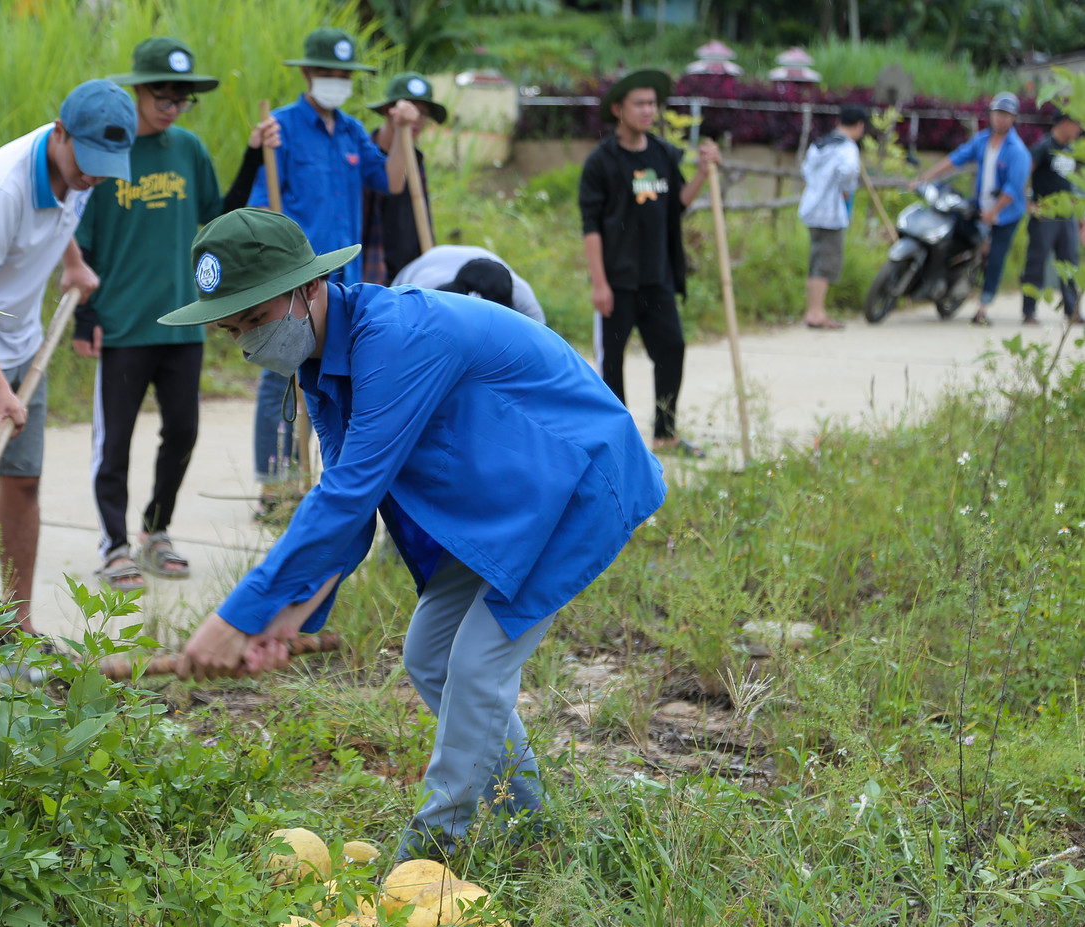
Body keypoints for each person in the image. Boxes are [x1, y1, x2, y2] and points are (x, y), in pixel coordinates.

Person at [164, 209, 667, 861]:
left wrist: (237, 614)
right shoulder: (323, 367)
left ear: (308, 288)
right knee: (429, 654)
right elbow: (352, 521)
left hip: (575, 484)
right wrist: (279, 622)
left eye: (256, 320)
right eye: (233, 330)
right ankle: (529, 824)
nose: (248, 342)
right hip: (509, 506)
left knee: (476, 666)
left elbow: (344, 496)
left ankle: (432, 848)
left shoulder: (399, 338)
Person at [0, 79, 136, 634]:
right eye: (88, 161)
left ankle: (17, 628)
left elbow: (65, 209)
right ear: (60, 133)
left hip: (20, 336)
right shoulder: (4, 187)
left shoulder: (82, 164)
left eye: (104, 166)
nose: (93, 176)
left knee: (23, 480)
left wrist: (72, 261)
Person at [72, 37, 281, 591]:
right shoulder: (107, 152)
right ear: (137, 91)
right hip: (121, 324)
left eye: (182, 99)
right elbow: (82, 248)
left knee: (183, 431)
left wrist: (252, 158)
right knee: (113, 443)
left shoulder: (187, 149)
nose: (171, 107)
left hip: (182, 322)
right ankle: (114, 545)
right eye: (162, 96)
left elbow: (217, 217)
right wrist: (84, 317)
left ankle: (155, 531)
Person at [246, 27, 416, 515]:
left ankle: (330, 480)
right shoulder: (281, 128)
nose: (336, 81)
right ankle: (275, 486)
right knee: (281, 377)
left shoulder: (350, 131)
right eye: (328, 72)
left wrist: (401, 130)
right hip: (292, 284)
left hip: (342, 287)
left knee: (338, 381)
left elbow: (392, 180)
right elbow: (262, 207)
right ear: (307, 74)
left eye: (344, 74)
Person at [578, 69, 720, 459]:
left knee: (672, 348)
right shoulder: (601, 162)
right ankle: (618, 442)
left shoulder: (662, 154)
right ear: (618, 109)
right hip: (617, 280)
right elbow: (590, 227)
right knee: (613, 363)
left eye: (652, 103)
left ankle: (665, 433)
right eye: (639, 103)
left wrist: (705, 175)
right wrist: (599, 283)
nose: (647, 110)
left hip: (656, 277)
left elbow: (677, 204)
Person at [913, 91, 1031, 325]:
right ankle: (942, 282)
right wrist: (925, 177)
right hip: (980, 206)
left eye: (1006, 115)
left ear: (1013, 117)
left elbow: (1013, 189)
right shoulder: (982, 140)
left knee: (995, 257)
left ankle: (983, 308)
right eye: (997, 113)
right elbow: (955, 159)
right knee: (954, 233)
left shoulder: (1018, 151)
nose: (1000, 118)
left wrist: (994, 212)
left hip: (1005, 213)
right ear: (991, 114)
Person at [362, 71, 448, 285]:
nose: (415, 119)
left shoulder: (416, 160)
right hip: (373, 275)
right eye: (410, 110)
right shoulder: (365, 157)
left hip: (411, 274)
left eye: (422, 113)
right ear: (387, 110)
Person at [797, 104, 867, 330]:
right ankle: (816, 313)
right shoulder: (847, 148)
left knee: (816, 260)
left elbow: (806, 170)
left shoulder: (820, 143)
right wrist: (845, 188)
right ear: (859, 125)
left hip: (811, 208)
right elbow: (848, 172)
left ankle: (813, 310)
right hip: (830, 211)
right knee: (825, 263)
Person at [1021, 109, 1083, 325]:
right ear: (1064, 122)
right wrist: (1029, 205)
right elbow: (1022, 174)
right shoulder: (1044, 147)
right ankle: (1029, 311)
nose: (1079, 129)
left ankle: (1072, 311)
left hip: (1067, 217)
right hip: (1045, 216)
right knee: (1036, 262)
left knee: (1069, 263)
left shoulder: (1073, 149)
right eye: (1076, 123)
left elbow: (1077, 183)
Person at [393, 244, 546, 324]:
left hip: (480, 264)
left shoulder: (524, 301)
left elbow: (544, 350)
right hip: (425, 267)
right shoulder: (420, 301)